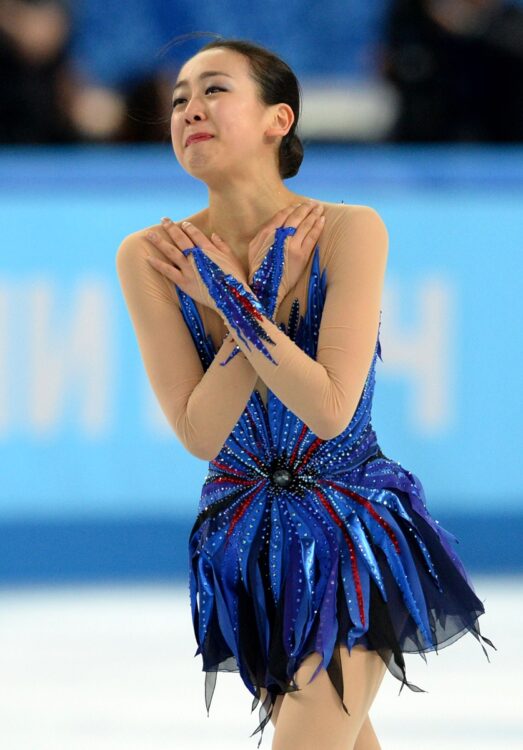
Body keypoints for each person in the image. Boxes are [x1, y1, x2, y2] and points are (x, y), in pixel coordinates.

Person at [115, 37, 496, 750]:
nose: (188, 108)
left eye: (214, 90)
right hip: (245, 542)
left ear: (277, 120)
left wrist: (231, 301)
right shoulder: (150, 257)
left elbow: (327, 408)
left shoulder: (349, 230)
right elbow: (199, 432)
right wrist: (248, 299)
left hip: (351, 535)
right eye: (177, 100)